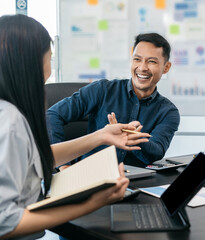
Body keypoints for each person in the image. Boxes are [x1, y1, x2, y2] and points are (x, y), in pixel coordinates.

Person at [0, 14, 151, 239]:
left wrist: (102, 135)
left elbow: (35, 159)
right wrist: (91, 203)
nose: (51, 66)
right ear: (30, 63)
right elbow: (5, 222)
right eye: (49, 57)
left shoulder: (9, 112)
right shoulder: (9, 122)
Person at [47, 33, 180, 167]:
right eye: (137, 59)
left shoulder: (168, 112)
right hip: (90, 175)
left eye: (151, 61)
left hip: (134, 180)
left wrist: (133, 137)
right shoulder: (102, 90)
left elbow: (157, 151)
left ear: (166, 67)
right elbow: (52, 115)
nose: (142, 67)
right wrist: (63, 164)